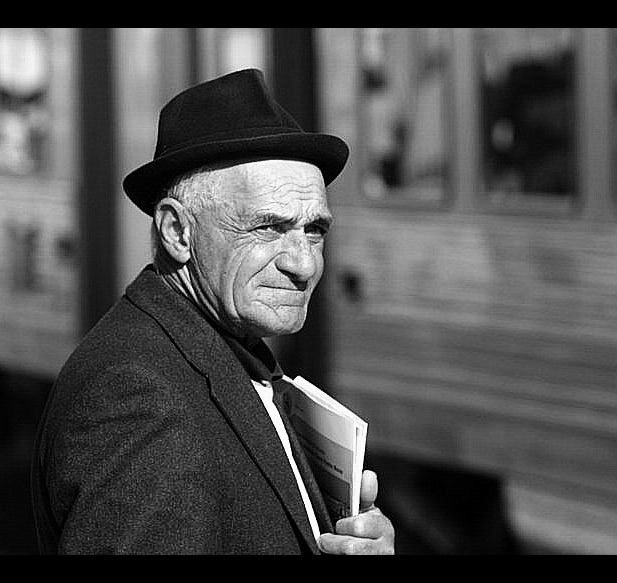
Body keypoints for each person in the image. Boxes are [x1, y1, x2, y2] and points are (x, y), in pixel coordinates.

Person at [30, 68, 395, 555]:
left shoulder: (215, 355)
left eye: (314, 231)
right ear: (177, 233)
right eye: (267, 228)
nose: (304, 263)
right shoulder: (138, 399)